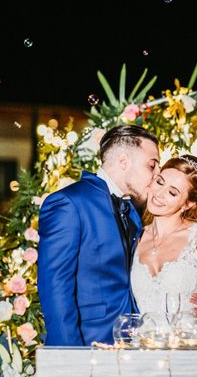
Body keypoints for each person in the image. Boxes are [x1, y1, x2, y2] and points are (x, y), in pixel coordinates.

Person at [38, 124, 159, 346]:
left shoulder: (132, 211)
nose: (156, 176)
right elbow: (55, 287)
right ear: (124, 162)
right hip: (87, 345)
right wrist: (71, 357)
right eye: (151, 166)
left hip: (130, 345)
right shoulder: (69, 203)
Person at [131, 155, 197, 319]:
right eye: (159, 182)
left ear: (188, 204)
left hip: (189, 341)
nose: (159, 194)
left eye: (172, 192)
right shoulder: (134, 235)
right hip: (141, 342)